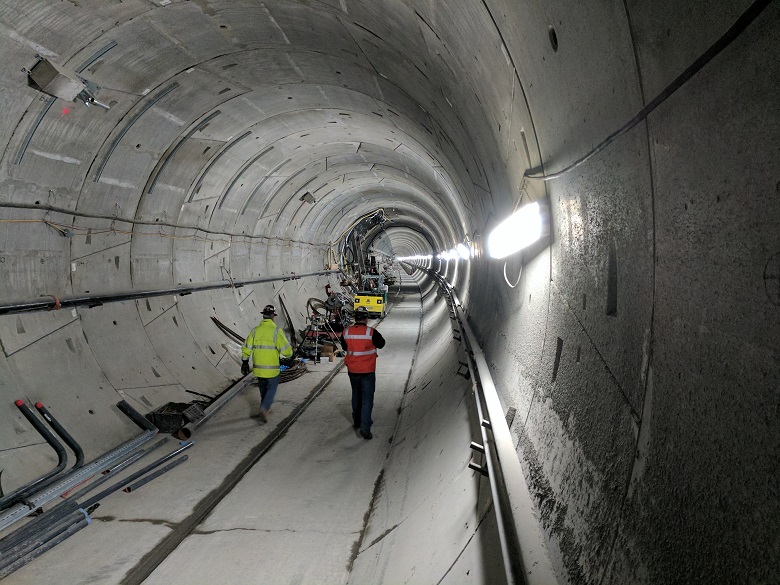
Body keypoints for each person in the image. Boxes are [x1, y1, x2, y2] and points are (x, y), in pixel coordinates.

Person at [241, 304, 293, 422]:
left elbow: (246, 348)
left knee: (263, 388)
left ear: (263, 316)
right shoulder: (276, 331)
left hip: (258, 368)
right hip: (272, 369)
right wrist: (291, 355)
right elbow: (286, 349)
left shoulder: (255, 331)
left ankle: (266, 407)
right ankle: (264, 408)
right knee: (272, 388)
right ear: (273, 316)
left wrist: (244, 362)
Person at [340, 306, 385, 440]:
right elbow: (382, 344)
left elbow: (344, 346)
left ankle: (357, 421)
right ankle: (365, 427)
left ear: (355, 318)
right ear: (366, 318)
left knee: (356, 394)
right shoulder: (371, 332)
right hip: (367, 371)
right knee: (367, 398)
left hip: (352, 370)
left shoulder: (346, 332)